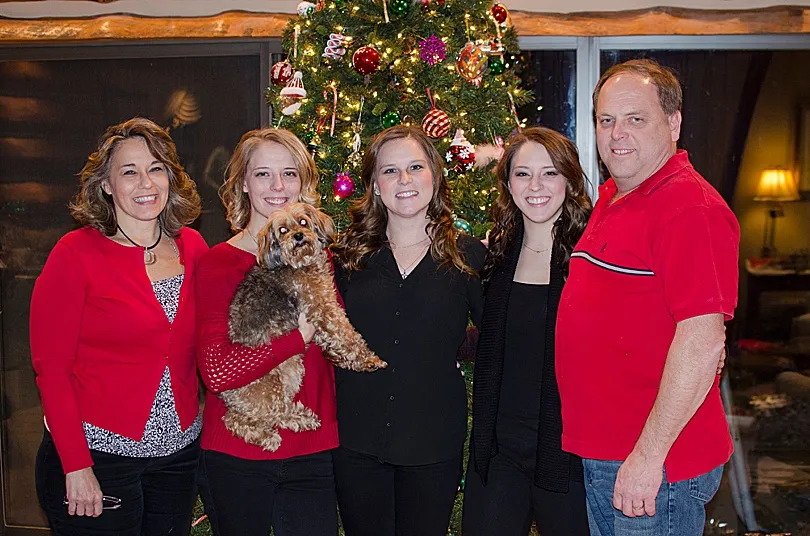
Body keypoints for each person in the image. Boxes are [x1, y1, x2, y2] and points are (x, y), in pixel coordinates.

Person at [556, 58, 740, 536]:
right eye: (606, 120)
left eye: (635, 119)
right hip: (610, 455)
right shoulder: (617, 195)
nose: (617, 134)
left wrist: (648, 457)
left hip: (653, 468)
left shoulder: (689, 209)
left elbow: (702, 343)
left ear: (674, 124)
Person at [31, 117, 207, 536]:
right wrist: (76, 465)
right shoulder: (74, 254)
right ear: (107, 185)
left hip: (178, 459)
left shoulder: (194, 247)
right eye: (129, 171)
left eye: (156, 168)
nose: (146, 183)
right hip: (99, 457)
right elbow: (51, 370)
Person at [331, 125, 485, 536]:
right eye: (390, 170)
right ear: (375, 185)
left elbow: (497, 338)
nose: (404, 180)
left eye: (415, 167)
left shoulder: (468, 255)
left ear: (434, 175)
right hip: (356, 443)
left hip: (433, 442)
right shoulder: (348, 256)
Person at [195, 128, 339, 536]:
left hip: (313, 449)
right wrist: (297, 337)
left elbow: (339, 342)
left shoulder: (319, 254)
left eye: (289, 173)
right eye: (263, 174)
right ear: (243, 182)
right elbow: (217, 371)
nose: (278, 186)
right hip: (237, 455)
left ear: (302, 180)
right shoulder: (218, 263)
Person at [463, 127, 592, 535]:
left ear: (569, 180)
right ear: (508, 184)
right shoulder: (495, 254)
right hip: (498, 451)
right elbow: (497, 338)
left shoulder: (592, 255)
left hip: (567, 453)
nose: (535, 186)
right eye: (523, 174)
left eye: (550, 173)